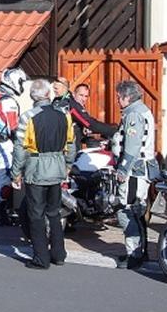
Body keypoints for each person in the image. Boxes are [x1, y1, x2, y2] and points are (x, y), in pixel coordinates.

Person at [11, 80, 75, 269]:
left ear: (33, 96)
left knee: (36, 214)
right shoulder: (64, 114)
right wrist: (68, 164)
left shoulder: (28, 117)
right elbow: (71, 143)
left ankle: (41, 257)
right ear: (48, 94)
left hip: (36, 169)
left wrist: (16, 172)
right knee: (54, 212)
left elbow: (20, 149)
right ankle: (59, 253)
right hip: (57, 167)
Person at [110, 80, 160, 270]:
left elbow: (132, 145)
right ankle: (140, 251)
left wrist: (123, 169)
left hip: (135, 171)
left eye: (118, 97)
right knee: (137, 211)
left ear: (127, 97)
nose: (117, 101)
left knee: (127, 210)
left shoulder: (134, 114)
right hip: (140, 169)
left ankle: (134, 254)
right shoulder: (141, 110)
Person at [0, 67, 26, 226]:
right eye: (21, 81)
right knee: (6, 177)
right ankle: (0, 214)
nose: (22, 85)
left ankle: (1, 212)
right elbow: (14, 128)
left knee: (3, 178)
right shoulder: (8, 101)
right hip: (3, 144)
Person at [68, 82, 117, 155]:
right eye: (81, 95)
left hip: (74, 144)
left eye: (86, 96)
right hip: (69, 148)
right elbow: (89, 123)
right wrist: (111, 130)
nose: (83, 99)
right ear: (74, 94)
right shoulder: (73, 106)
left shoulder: (77, 105)